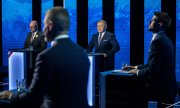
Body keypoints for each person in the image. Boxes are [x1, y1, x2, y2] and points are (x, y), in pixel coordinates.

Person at [0, 7, 90, 108]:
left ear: (50, 25)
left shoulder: (46, 57)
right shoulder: (82, 54)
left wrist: (11, 95)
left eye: (44, 24)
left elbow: (34, 97)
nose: (43, 28)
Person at [123, 12, 177, 107]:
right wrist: (135, 67)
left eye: (152, 20)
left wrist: (136, 72)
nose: (149, 22)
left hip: (161, 90)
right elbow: (153, 63)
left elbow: (153, 69)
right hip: (168, 88)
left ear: (159, 24)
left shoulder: (157, 41)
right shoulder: (165, 39)